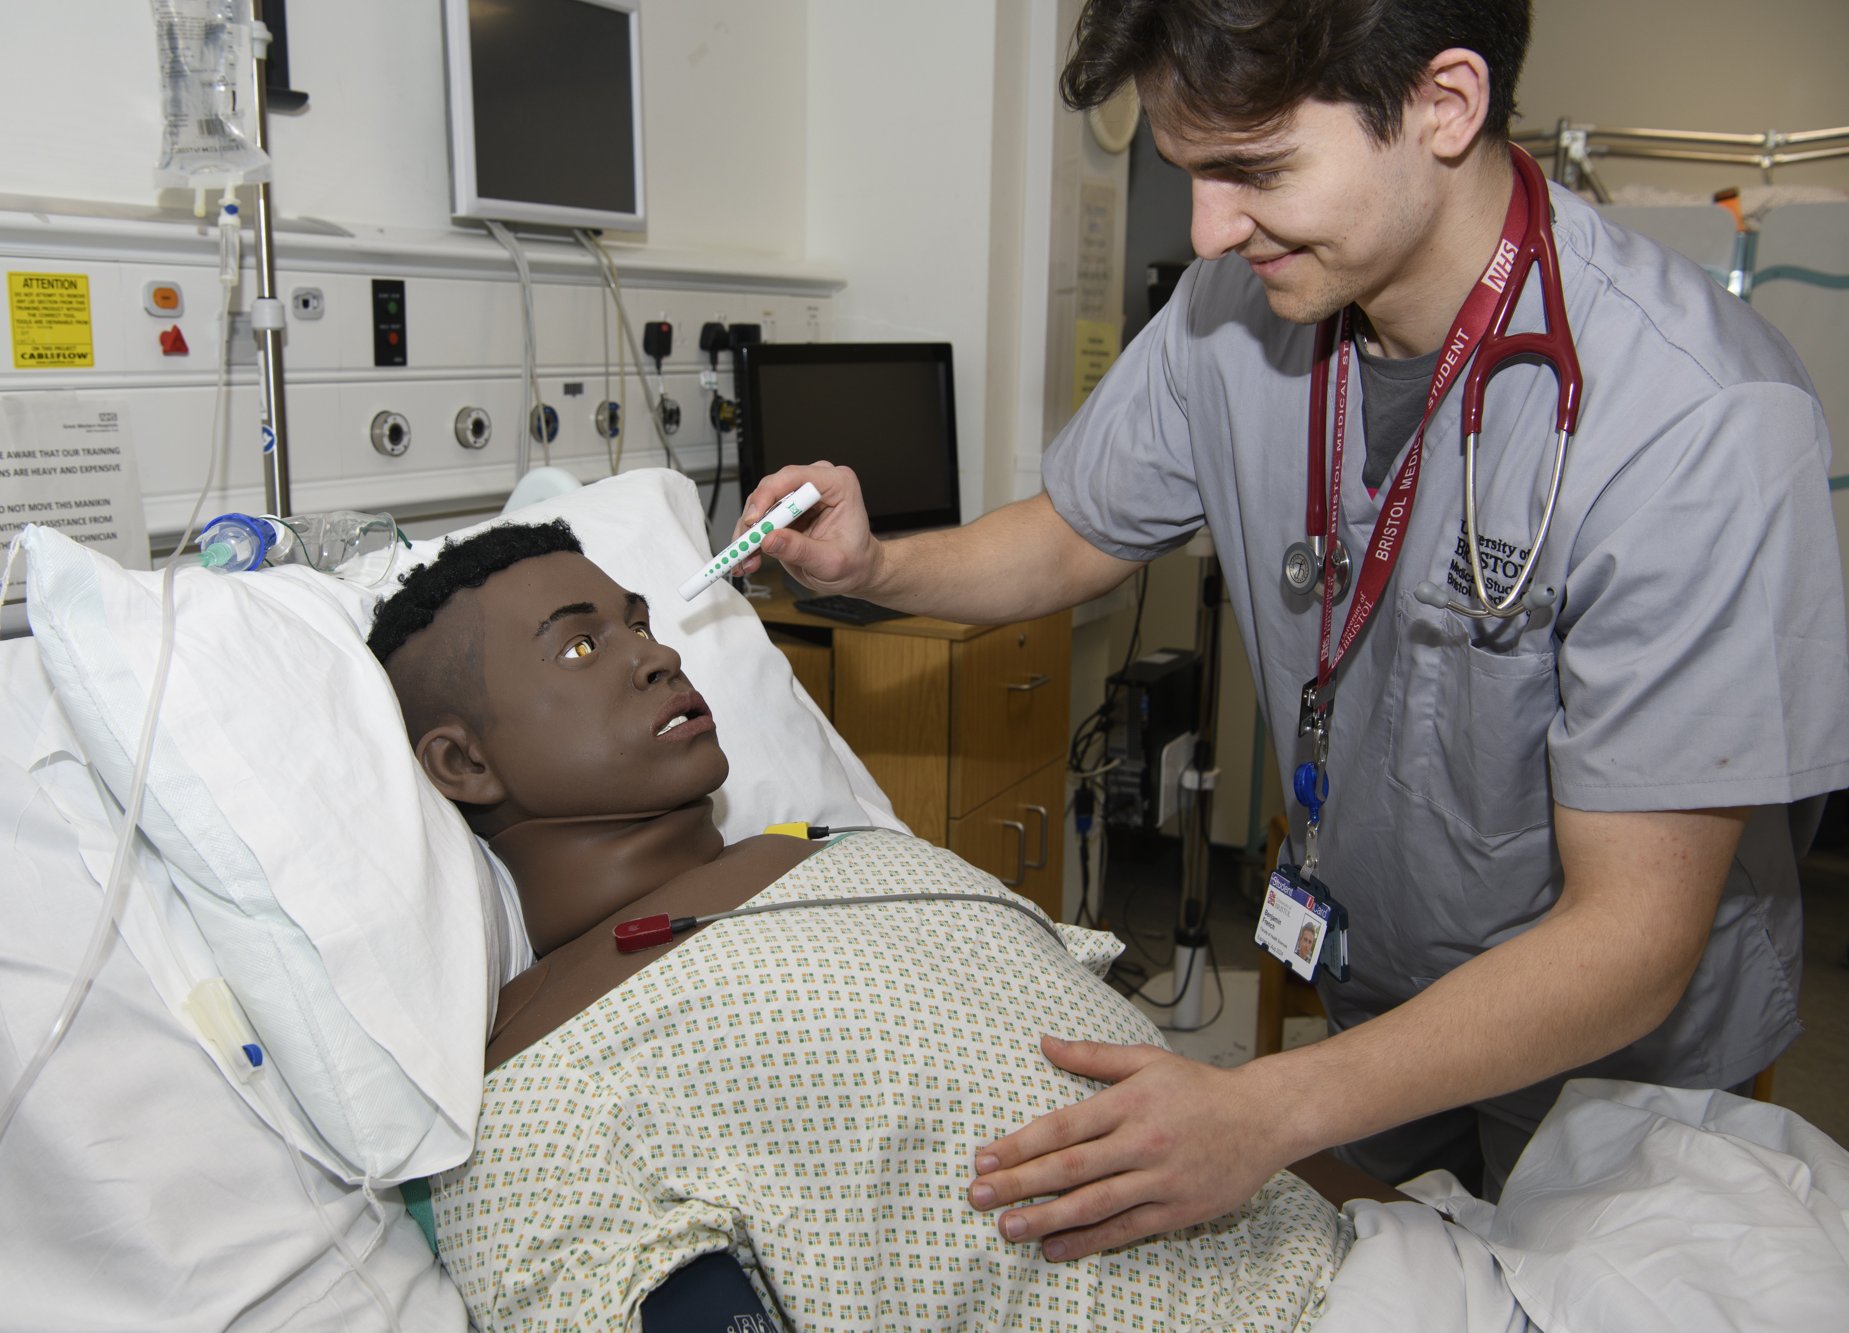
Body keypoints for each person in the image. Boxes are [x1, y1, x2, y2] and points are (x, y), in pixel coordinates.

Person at [727, 0, 1849, 1264]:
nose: (1208, 229)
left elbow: (1631, 939)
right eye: (1188, 170)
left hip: (1620, 1077)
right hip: (1380, 1005)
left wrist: (1261, 1107)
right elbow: (1068, 535)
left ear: (1443, 104)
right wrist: (874, 566)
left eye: (1254, 169)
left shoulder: (1697, 421)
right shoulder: (1233, 312)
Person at [365, 521, 1349, 1332]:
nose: (657, 653)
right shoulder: (541, 1093)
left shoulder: (852, 853)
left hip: (1371, 1264)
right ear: (461, 765)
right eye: (582, 645)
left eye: (640, 623)